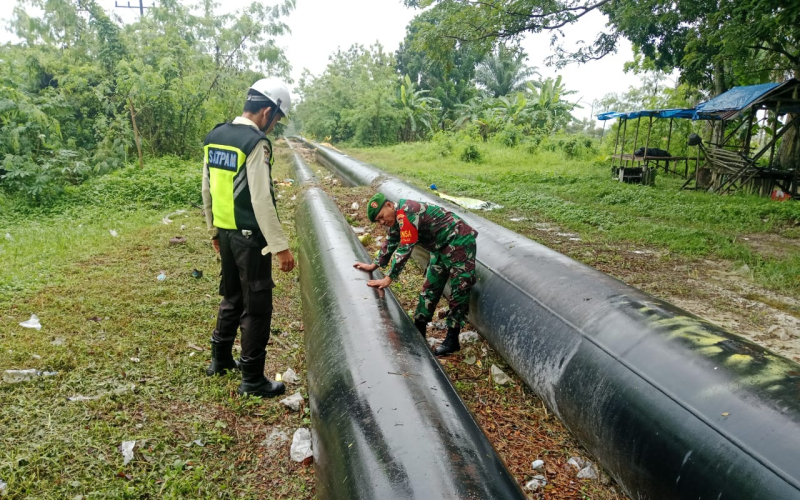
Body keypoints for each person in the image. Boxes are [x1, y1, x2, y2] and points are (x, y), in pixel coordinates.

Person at [201, 77, 295, 398]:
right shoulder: (255, 143)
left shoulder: (215, 136)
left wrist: (214, 230)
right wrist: (280, 247)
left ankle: (220, 360)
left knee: (231, 297)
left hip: (227, 235)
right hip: (251, 238)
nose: (274, 126)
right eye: (276, 120)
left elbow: (207, 189)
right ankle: (252, 379)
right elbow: (261, 199)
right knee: (257, 306)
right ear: (267, 112)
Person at [354, 193, 478, 356]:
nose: (382, 222)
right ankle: (419, 332)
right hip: (439, 247)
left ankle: (452, 339)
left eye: (381, 217)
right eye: (378, 221)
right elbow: (391, 241)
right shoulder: (397, 218)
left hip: (458, 240)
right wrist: (373, 265)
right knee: (430, 288)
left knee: (459, 290)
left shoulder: (408, 213)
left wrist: (388, 278)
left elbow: (405, 247)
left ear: (389, 206)